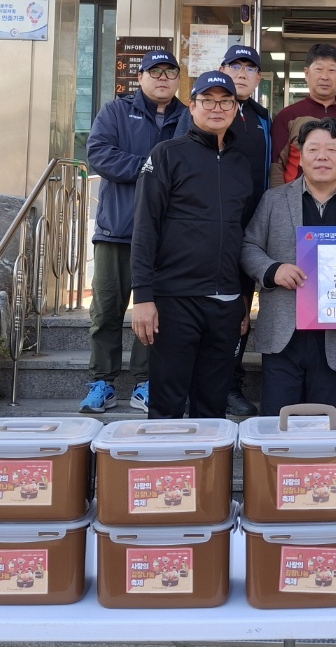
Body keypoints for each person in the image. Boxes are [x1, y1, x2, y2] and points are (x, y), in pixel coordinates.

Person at [129, 72, 256, 419]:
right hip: (174, 300)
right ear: (193, 105)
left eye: (226, 101)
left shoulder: (241, 163)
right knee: (167, 404)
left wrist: (244, 296)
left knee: (213, 407)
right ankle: (166, 474)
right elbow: (145, 229)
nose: (217, 108)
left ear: (235, 108)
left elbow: (243, 235)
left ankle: (207, 473)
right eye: (208, 100)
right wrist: (143, 297)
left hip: (226, 303)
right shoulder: (167, 154)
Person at [241, 118, 336, 414]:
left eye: (332, 149)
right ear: (301, 156)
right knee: (276, 427)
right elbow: (248, 247)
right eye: (313, 148)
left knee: (325, 430)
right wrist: (272, 269)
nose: (322, 156)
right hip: (284, 334)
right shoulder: (273, 201)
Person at [81, 48, 181, 413]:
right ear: (140, 78)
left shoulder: (186, 118)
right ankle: (102, 382)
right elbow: (99, 154)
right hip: (116, 231)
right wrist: (149, 169)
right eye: (155, 72)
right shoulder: (116, 112)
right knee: (107, 310)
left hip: (164, 235)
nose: (162, 79)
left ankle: (146, 381)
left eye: (170, 73)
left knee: (153, 311)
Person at [176, 43, 272, 417]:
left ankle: (229, 383)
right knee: (196, 310)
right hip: (200, 231)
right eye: (236, 66)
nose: (242, 73)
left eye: (250, 68)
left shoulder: (264, 118)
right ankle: (187, 386)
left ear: (258, 78)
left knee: (238, 312)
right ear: (223, 69)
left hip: (246, 230)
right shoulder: (200, 115)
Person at [269, 43, 336, 189]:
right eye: (318, 69)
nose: (325, 76)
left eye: (331, 70)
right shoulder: (287, 116)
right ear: (307, 74)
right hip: (297, 202)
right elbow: (277, 165)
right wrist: (279, 202)